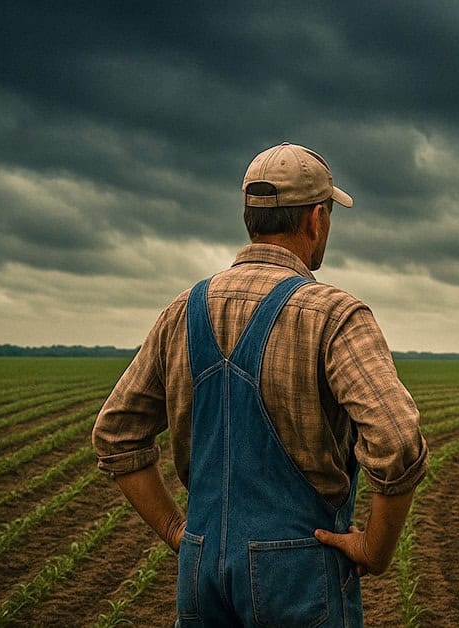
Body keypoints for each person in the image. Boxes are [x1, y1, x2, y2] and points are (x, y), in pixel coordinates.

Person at [92, 142, 428, 627]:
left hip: (202, 573)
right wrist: (375, 549)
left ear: (250, 217)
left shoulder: (183, 310)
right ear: (316, 219)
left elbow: (115, 433)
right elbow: (397, 439)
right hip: (300, 574)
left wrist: (177, 530)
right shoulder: (333, 315)